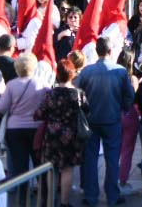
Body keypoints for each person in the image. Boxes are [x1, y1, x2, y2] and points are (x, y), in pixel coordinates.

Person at [77, 37, 134, 207]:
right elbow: (129, 95)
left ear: (97, 51)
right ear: (110, 52)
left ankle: (91, 196)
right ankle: (112, 196)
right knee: (112, 159)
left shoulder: (87, 71)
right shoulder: (120, 71)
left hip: (91, 120)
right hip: (112, 119)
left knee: (90, 159)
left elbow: (77, 92)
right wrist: (122, 108)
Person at [35, 60, 86, 200]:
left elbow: (39, 114)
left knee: (52, 168)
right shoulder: (78, 94)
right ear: (72, 74)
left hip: (52, 135)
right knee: (67, 168)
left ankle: (51, 200)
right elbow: (87, 111)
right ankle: (64, 201)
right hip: (71, 135)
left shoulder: (51, 94)